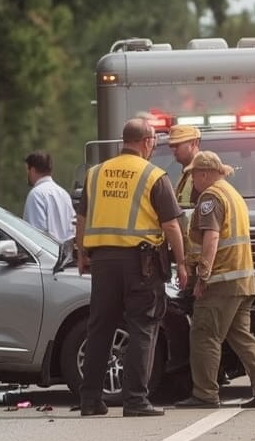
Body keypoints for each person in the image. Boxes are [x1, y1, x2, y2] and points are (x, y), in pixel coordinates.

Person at [75, 115, 189, 417]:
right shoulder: (153, 175)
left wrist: (82, 253)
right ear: (147, 141)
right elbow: (172, 226)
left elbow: (82, 218)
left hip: (102, 263)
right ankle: (135, 400)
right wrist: (183, 263)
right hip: (141, 264)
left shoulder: (95, 174)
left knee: (99, 328)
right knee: (143, 327)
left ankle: (90, 400)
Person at [175, 151, 255, 409]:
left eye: (193, 175)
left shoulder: (210, 197)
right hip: (243, 280)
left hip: (221, 280)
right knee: (240, 335)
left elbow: (211, 238)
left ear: (203, 173)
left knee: (204, 334)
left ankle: (204, 394)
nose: (192, 180)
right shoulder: (233, 194)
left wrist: (203, 274)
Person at [22, 150, 75, 243]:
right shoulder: (64, 194)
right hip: (67, 254)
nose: (27, 174)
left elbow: (35, 234)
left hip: (47, 254)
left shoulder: (36, 194)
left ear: (33, 170)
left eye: (27, 170)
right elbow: (73, 229)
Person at [167, 125, 203, 207]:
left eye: (177, 145)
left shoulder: (202, 173)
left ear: (194, 143)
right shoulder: (186, 174)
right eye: (172, 146)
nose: (174, 150)